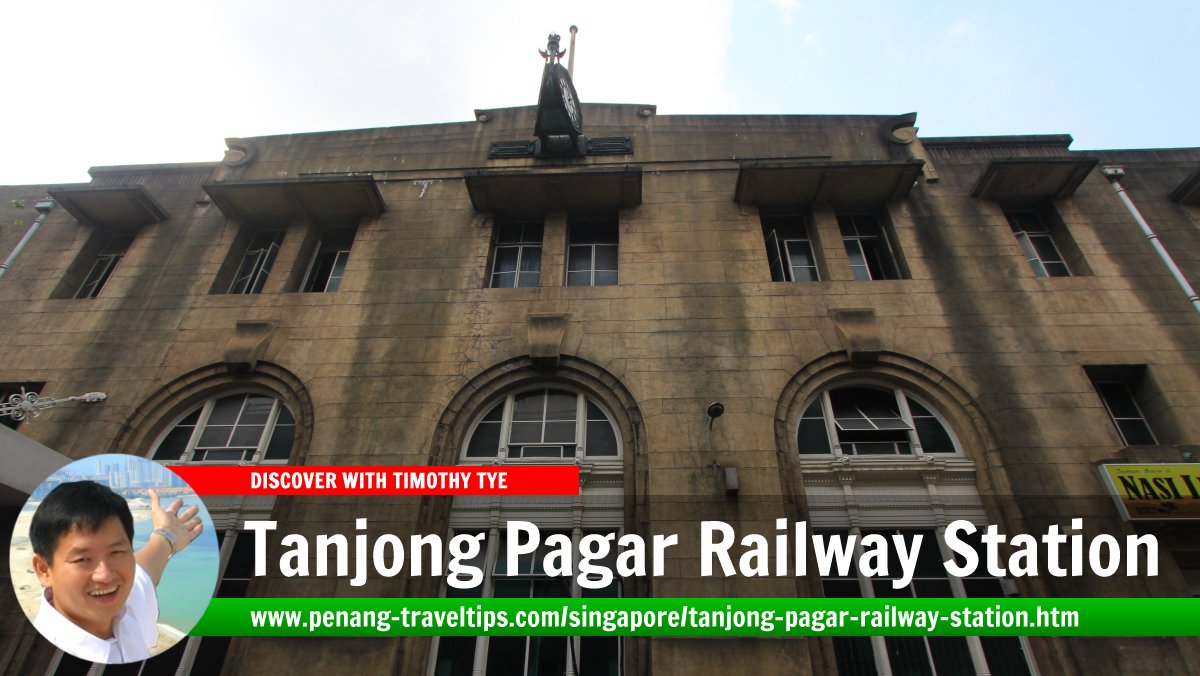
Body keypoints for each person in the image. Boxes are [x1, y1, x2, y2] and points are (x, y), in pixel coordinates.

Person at [29, 480, 202, 664]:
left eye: (116, 552)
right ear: (44, 570)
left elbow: (145, 571)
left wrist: (167, 535)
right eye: (83, 559)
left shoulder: (125, 607)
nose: (105, 575)